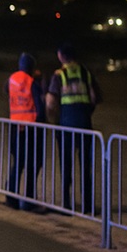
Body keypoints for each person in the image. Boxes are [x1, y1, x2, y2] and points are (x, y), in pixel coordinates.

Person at [45, 43, 101, 214]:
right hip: (84, 122)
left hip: (66, 124)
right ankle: (87, 205)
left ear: (61, 56)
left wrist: (52, 117)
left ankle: (66, 205)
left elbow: (50, 102)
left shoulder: (59, 75)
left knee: (66, 165)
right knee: (85, 166)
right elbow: (95, 97)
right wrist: (86, 111)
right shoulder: (86, 72)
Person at [5, 52, 46, 211]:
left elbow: (9, 95)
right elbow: (39, 108)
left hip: (16, 127)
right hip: (31, 129)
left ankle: (11, 197)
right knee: (33, 164)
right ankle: (28, 200)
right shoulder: (32, 82)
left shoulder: (11, 80)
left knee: (18, 163)